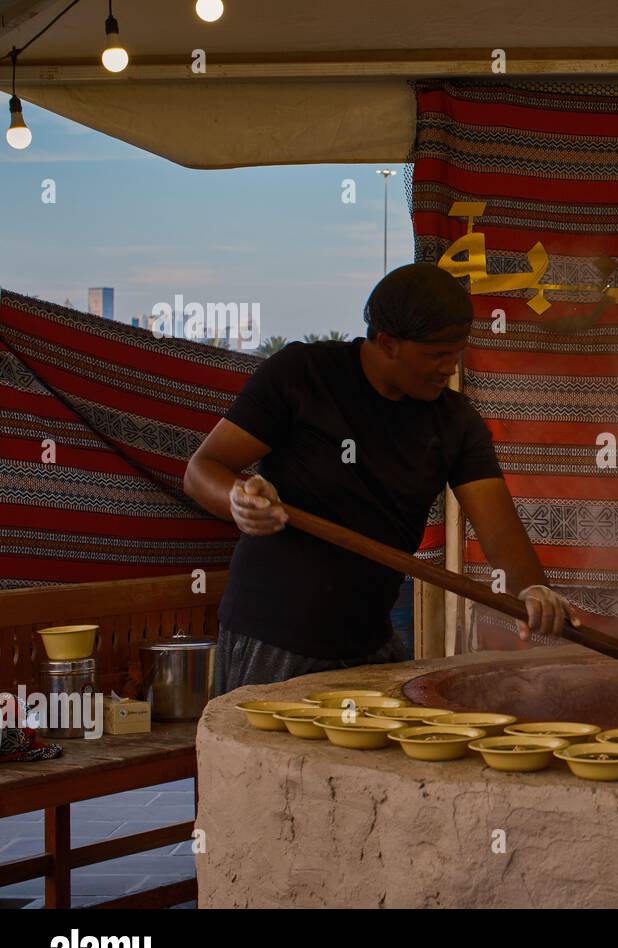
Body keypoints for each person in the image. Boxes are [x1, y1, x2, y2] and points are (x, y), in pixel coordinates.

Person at [184, 263, 579, 694]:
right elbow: (202, 470)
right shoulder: (303, 375)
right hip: (273, 638)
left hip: (370, 641)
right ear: (387, 342)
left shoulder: (454, 422)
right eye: (434, 355)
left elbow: (498, 527)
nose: (448, 368)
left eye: (456, 352)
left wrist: (533, 588)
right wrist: (239, 500)